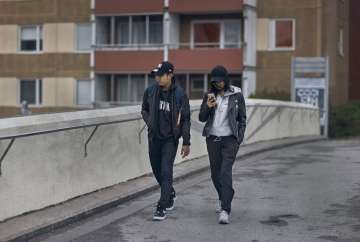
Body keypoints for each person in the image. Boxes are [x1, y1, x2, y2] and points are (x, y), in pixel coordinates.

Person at [141, 61, 191, 221]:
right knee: (157, 171)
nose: (157, 78)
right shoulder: (150, 91)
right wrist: (149, 122)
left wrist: (186, 141)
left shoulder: (180, 95)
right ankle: (169, 192)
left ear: (170, 75)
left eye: (161, 75)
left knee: (166, 171)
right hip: (154, 138)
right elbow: (144, 109)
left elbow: (185, 119)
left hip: (170, 139)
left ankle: (161, 207)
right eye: (156, 75)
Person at [198, 65, 246, 224]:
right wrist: (207, 106)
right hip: (213, 139)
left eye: (220, 81)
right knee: (215, 174)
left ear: (225, 79)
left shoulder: (237, 95)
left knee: (225, 173)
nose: (218, 84)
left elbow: (242, 119)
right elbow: (202, 118)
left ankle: (225, 210)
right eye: (215, 81)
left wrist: (239, 138)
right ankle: (225, 196)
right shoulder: (209, 96)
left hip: (229, 140)